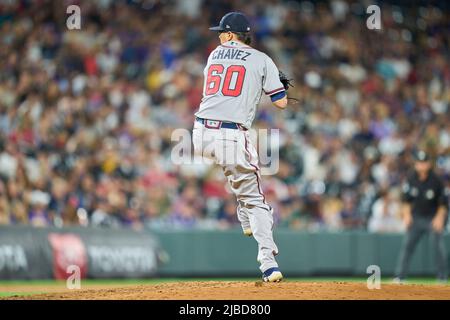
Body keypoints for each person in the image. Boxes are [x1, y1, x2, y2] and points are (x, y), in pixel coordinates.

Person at [192, 12, 288, 282]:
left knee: (235, 172)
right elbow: (280, 102)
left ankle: (244, 212)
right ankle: (268, 263)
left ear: (231, 34)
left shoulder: (213, 55)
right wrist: (278, 82)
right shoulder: (262, 59)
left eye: (222, 32)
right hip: (231, 135)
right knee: (256, 199)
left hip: (199, 134)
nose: (219, 36)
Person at [394, 150, 448, 283]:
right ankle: (400, 277)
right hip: (416, 217)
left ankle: (442, 277)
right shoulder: (411, 178)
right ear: (416, 164)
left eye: (424, 162)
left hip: (432, 217)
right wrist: (406, 216)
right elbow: (406, 200)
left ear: (429, 164)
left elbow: (443, 203)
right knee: (407, 246)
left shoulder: (436, 180)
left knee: (438, 246)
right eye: (419, 163)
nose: (422, 165)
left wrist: (439, 218)